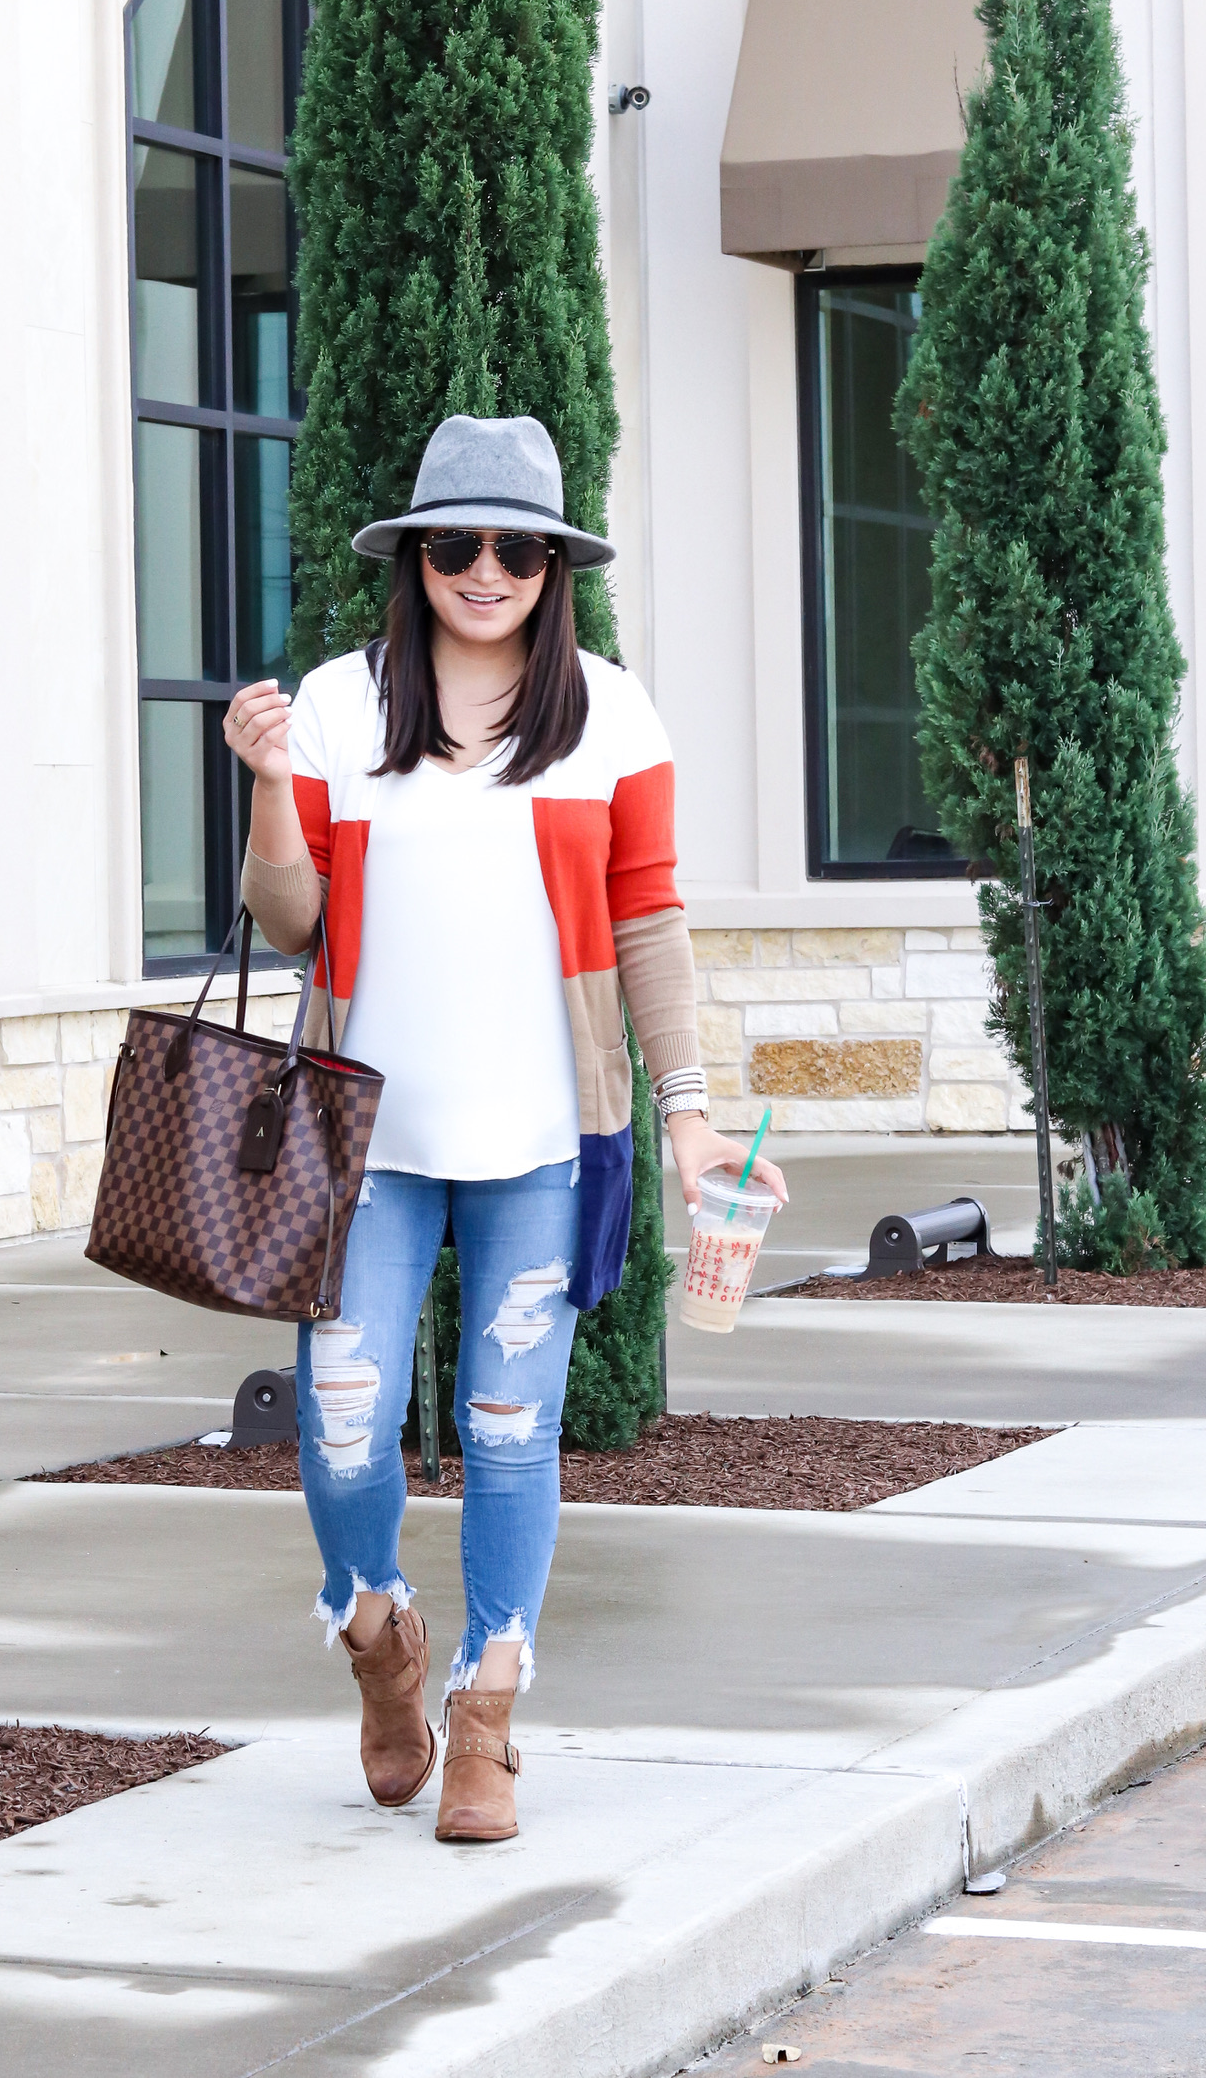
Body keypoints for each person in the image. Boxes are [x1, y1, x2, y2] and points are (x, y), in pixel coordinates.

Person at [225, 414, 786, 1842]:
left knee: (511, 1428)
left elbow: (648, 919)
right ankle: (379, 1639)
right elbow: (287, 919)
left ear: (555, 568)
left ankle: (486, 1711)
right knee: (343, 1428)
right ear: (415, 558)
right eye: (456, 545)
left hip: (546, 1143)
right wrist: (271, 786)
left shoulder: (611, 714)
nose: (486, 571)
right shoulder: (343, 706)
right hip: (363, 1149)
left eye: (518, 549)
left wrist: (691, 1119)